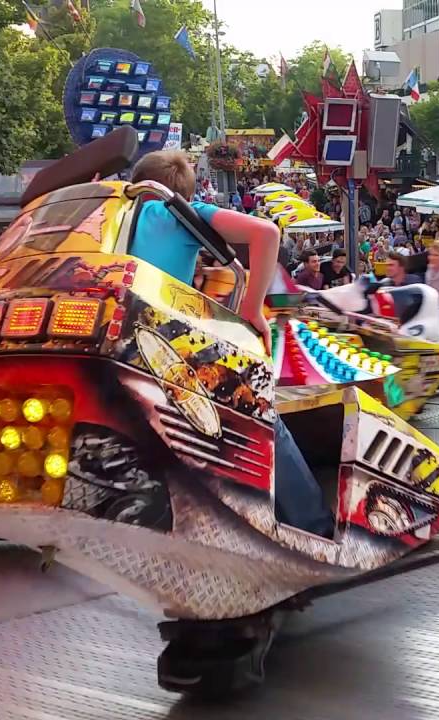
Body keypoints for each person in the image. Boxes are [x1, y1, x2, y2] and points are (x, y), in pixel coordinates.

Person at [128, 152, 329, 535]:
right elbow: (266, 233)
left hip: (112, 340)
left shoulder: (113, 214)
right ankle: (314, 527)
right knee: (260, 416)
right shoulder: (177, 212)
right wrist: (252, 311)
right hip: (165, 340)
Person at [127, 150, 276, 348]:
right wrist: (252, 309)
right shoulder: (181, 214)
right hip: (157, 335)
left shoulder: (107, 209)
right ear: (186, 198)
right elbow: (267, 233)